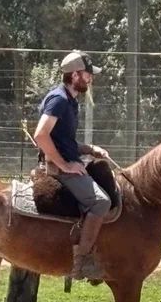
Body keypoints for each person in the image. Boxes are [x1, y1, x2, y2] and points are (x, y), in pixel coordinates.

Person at [32, 50, 112, 280]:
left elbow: (62, 140)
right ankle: (82, 262)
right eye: (87, 74)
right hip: (60, 169)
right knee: (101, 202)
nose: (91, 78)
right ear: (75, 75)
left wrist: (89, 149)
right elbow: (41, 135)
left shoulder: (69, 100)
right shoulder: (59, 100)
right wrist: (65, 165)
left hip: (67, 162)